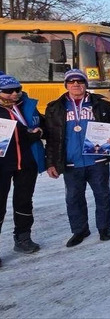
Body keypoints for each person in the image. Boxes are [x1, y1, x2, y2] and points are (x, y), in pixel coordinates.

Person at [45, 69, 110, 247]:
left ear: (86, 84)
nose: (76, 84)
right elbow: (52, 138)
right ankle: (80, 230)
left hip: (97, 159)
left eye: (80, 81)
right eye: (71, 82)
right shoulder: (55, 108)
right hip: (71, 161)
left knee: (102, 195)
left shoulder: (101, 104)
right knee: (73, 198)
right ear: (66, 85)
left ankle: (104, 227)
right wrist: (51, 163)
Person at [0, 74, 45, 264]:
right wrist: (25, 133)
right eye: (8, 91)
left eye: (17, 89)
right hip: (3, 164)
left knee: (24, 201)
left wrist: (40, 131)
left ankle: (23, 237)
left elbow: (43, 124)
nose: (14, 94)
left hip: (26, 162)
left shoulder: (27, 105)